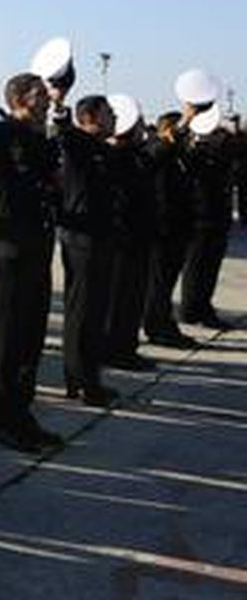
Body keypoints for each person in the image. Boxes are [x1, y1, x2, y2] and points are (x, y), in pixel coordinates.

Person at [0, 73, 63, 452]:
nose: (47, 99)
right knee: (9, 337)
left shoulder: (36, 136)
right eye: (40, 94)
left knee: (31, 335)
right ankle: (4, 420)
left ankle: (22, 413)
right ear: (19, 98)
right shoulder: (1, 132)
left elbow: (51, 175)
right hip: (11, 247)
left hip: (37, 245)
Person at [52, 91, 120, 406]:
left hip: (102, 237)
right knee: (83, 311)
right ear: (90, 118)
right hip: (83, 241)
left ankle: (88, 378)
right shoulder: (78, 144)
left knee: (95, 312)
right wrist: (59, 106)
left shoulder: (104, 150)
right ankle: (80, 381)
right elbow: (65, 134)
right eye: (109, 113)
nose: (115, 118)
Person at [105, 110, 158, 371]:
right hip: (123, 238)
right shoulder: (115, 156)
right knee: (121, 298)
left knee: (134, 297)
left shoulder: (136, 155)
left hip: (138, 236)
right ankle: (117, 350)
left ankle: (127, 347)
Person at [142, 112, 199, 348]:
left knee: (166, 283)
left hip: (178, 227)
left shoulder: (179, 154)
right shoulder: (156, 149)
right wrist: (182, 124)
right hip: (163, 228)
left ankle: (164, 323)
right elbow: (157, 154)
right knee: (159, 283)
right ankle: (158, 327)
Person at [179, 112, 234, 329]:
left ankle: (203, 307)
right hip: (200, 219)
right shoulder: (195, 154)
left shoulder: (219, 152)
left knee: (209, 268)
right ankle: (191, 310)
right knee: (197, 267)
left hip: (217, 219)